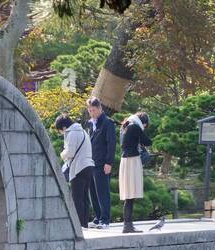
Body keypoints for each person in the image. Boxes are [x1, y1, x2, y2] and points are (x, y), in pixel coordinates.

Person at [56, 115, 95, 229]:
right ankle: (84, 224)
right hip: (88, 166)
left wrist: (62, 154)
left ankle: (78, 225)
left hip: (78, 167)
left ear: (63, 127)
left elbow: (70, 152)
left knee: (77, 197)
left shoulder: (72, 133)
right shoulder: (82, 131)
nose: (62, 133)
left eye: (60, 131)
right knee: (84, 197)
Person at [118, 111, 151, 234]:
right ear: (144, 122)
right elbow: (147, 141)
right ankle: (128, 226)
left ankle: (127, 225)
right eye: (145, 126)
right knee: (131, 195)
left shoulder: (125, 125)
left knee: (128, 195)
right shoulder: (135, 127)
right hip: (132, 161)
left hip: (124, 161)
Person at [86, 97, 116, 229]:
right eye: (90, 110)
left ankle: (105, 220)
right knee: (93, 192)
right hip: (92, 163)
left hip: (103, 163)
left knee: (103, 192)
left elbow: (111, 144)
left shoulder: (107, 123)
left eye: (94, 110)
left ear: (100, 108)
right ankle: (98, 217)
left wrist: (109, 162)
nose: (92, 113)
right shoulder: (92, 124)